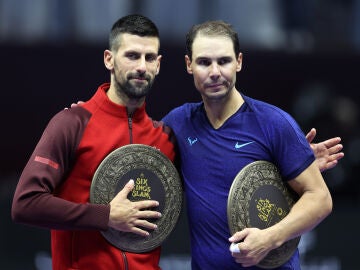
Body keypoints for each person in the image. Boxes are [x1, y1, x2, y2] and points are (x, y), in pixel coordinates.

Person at [161, 20, 339, 269]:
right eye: (204, 62)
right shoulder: (178, 123)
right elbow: (140, 162)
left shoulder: (274, 123)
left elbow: (320, 199)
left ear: (239, 62)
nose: (214, 72)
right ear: (189, 65)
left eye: (223, 61)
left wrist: (269, 238)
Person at [11, 14, 176, 270]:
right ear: (109, 59)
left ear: (158, 64)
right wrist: (106, 216)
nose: (142, 66)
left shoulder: (165, 137)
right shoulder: (72, 123)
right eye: (132, 56)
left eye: (149, 57)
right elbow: (25, 204)